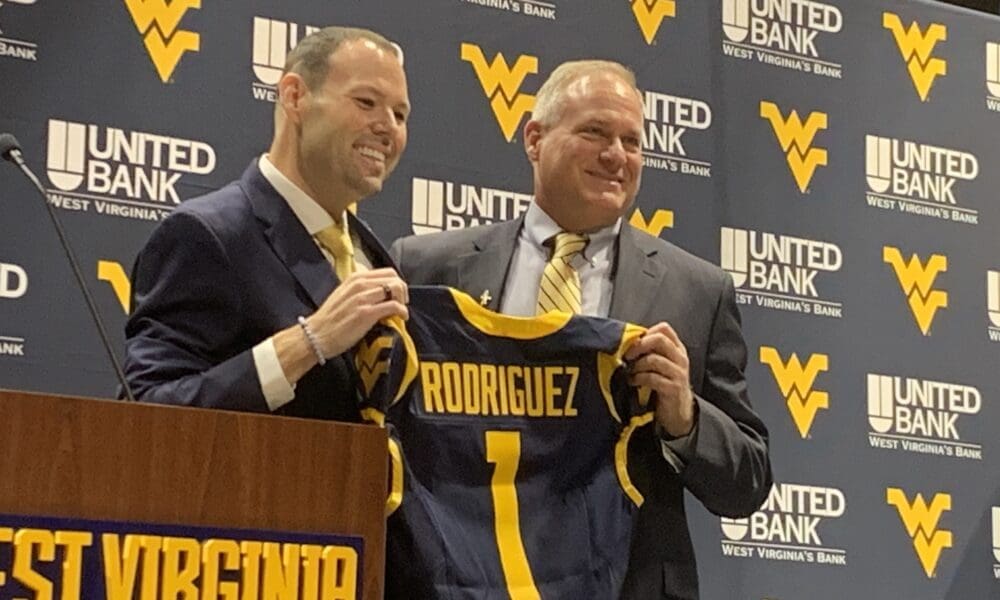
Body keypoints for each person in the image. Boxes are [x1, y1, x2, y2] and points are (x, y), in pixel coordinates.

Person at [389, 60, 772, 599]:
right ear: (535, 139)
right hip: (459, 581)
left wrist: (685, 417)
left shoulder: (697, 291)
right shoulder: (427, 268)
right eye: (594, 132)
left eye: (632, 141)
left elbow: (748, 484)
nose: (616, 155)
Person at [124, 26, 410, 419]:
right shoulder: (206, 235)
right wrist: (308, 343)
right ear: (295, 97)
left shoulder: (375, 257)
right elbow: (146, 409)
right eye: (366, 102)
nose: (388, 127)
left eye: (400, 114)